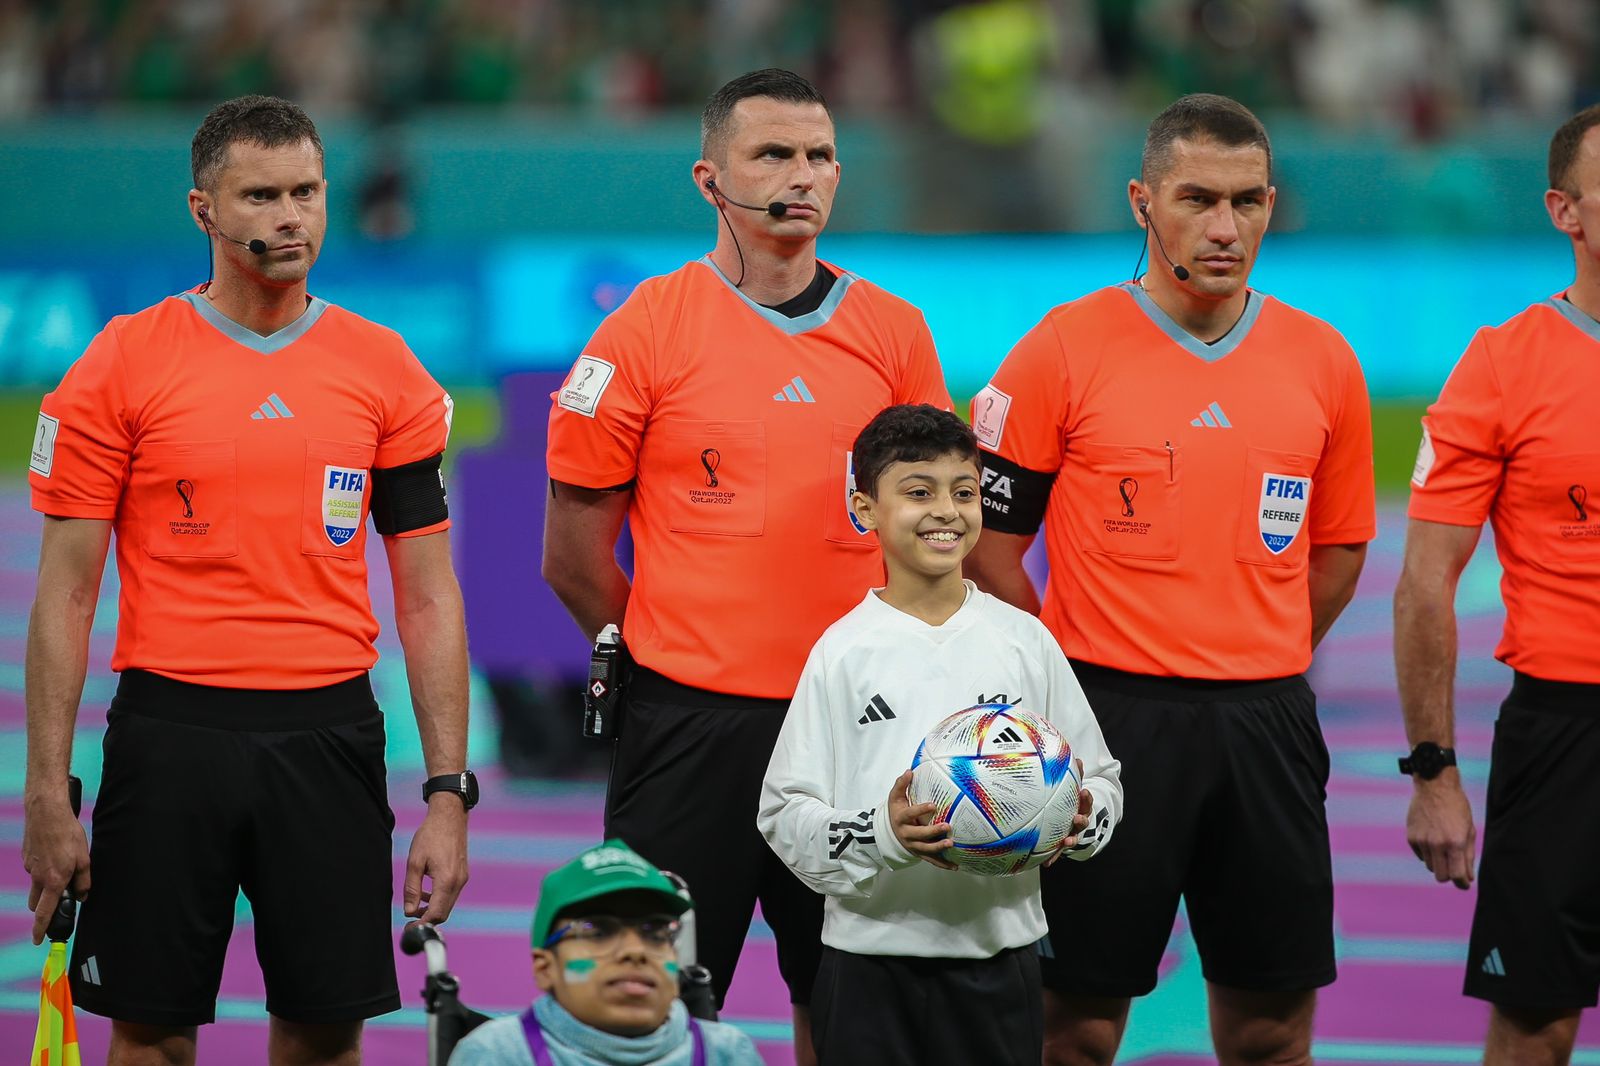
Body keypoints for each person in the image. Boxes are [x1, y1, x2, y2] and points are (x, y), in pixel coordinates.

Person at [20, 95, 473, 1066]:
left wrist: (446, 793)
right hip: (168, 734)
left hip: (331, 738)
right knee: (148, 1037)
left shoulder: (385, 369)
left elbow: (429, 595)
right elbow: (64, 594)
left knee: (321, 1037)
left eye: (306, 191)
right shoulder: (119, 363)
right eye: (260, 194)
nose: (290, 216)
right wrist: (48, 794)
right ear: (204, 211)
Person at [541, 68, 951, 1063]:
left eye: (817, 156)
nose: (799, 175)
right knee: (657, 1011)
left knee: (855, 1008)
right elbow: (571, 552)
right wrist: (671, 648)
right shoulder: (645, 327)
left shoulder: (894, 334)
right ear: (708, 178)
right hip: (688, 727)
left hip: (858, 730)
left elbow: (935, 539)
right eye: (772, 153)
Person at [963, 93, 1375, 1066]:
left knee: (1271, 1030)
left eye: (1248, 201)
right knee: (1073, 1024)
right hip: (1105, 723)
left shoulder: (1323, 360)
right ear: (1142, 201)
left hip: (1266, 725)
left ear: (1272, 202)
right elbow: (987, 546)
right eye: (1197, 198)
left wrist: (1256, 647)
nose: (1226, 228)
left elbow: (1340, 549)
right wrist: (1057, 673)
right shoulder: (1062, 347)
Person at [758, 404, 1123, 1065]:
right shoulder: (843, 652)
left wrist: (1083, 818)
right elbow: (785, 814)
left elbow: (1100, 779)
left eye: (964, 491)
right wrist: (884, 834)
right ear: (864, 508)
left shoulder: (1023, 640)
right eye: (918, 492)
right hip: (866, 961)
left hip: (1001, 958)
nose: (947, 511)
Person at [1394, 103, 1600, 1066]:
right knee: (1536, 1023)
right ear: (1567, 212)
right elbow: (1426, 583)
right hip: (1567, 736)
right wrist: (1432, 772)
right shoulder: (1504, 366)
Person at [449, 840, 762, 1065]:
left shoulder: (728, 1054)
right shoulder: (497, 1055)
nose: (635, 952)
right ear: (545, 968)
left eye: (655, 933)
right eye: (597, 932)